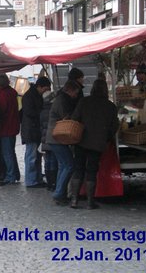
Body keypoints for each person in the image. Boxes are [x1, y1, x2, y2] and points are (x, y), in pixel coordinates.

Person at [70, 79, 119, 209]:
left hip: (81, 141)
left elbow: (74, 119)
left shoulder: (84, 101)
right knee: (92, 170)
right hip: (97, 143)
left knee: (78, 169)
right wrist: (106, 138)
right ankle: (90, 202)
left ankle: (74, 200)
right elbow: (114, 126)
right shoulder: (110, 106)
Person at [45, 81, 81, 205]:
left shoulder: (60, 98)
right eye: (75, 93)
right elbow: (66, 117)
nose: (76, 95)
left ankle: (60, 193)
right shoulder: (62, 100)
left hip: (54, 137)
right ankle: (59, 193)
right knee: (69, 165)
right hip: (57, 137)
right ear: (69, 90)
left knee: (63, 165)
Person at [21, 77, 51, 188]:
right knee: (31, 156)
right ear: (39, 87)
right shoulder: (29, 96)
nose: (46, 91)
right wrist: (42, 113)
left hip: (35, 131)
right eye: (45, 89)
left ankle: (37, 179)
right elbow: (29, 112)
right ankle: (31, 180)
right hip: (31, 131)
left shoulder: (34, 95)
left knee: (36, 156)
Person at [0, 74, 21, 184]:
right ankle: (15, 174)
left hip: (6, 127)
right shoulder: (12, 92)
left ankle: (11, 175)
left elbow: (1, 111)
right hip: (13, 126)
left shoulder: (3, 95)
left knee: (7, 153)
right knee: (11, 152)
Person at [40, 89, 58, 191]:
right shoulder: (53, 110)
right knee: (53, 160)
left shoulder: (42, 111)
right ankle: (53, 182)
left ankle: (49, 182)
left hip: (44, 139)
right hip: (52, 138)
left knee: (48, 161)